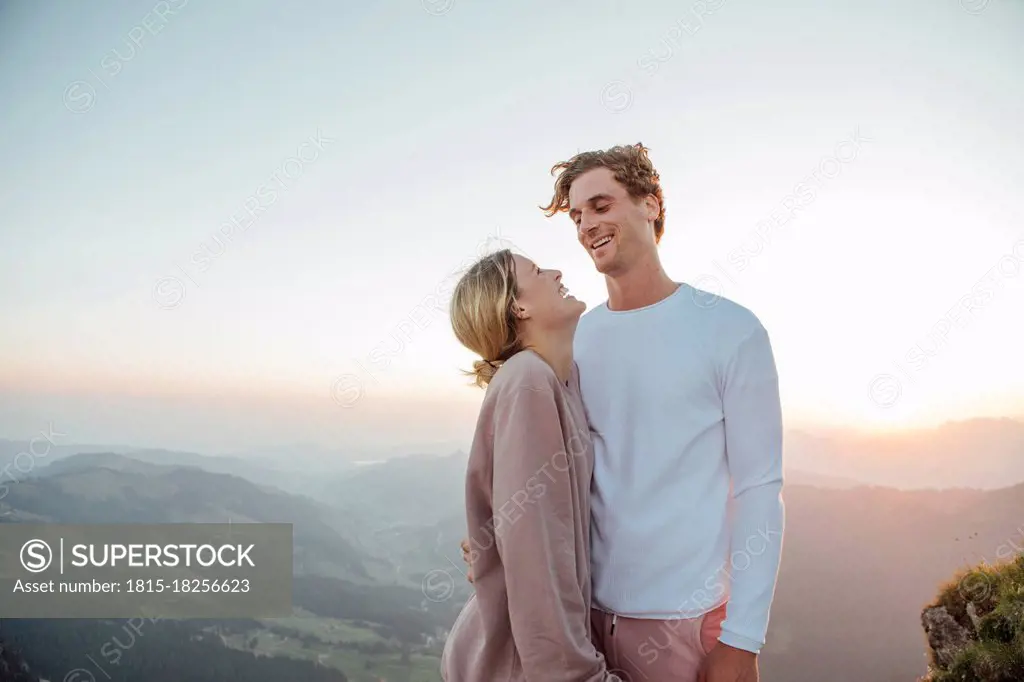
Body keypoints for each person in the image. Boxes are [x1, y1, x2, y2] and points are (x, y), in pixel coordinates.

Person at [464, 143, 785, 682]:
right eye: (577, 216)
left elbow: (760, 488)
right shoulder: (575, 340)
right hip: (584, 627)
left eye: (601, 205)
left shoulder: (731, 330)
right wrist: (498, 539)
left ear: (651, 205)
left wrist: (743, 638)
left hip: (688, 627)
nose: (587, 224)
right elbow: (540, 462)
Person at [440, 248, 622, 681]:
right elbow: (538, 557)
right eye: (538, 271)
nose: (557, 271)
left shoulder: (562, 381)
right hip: (517, 667)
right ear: (517, 306)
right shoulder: (529, 382)